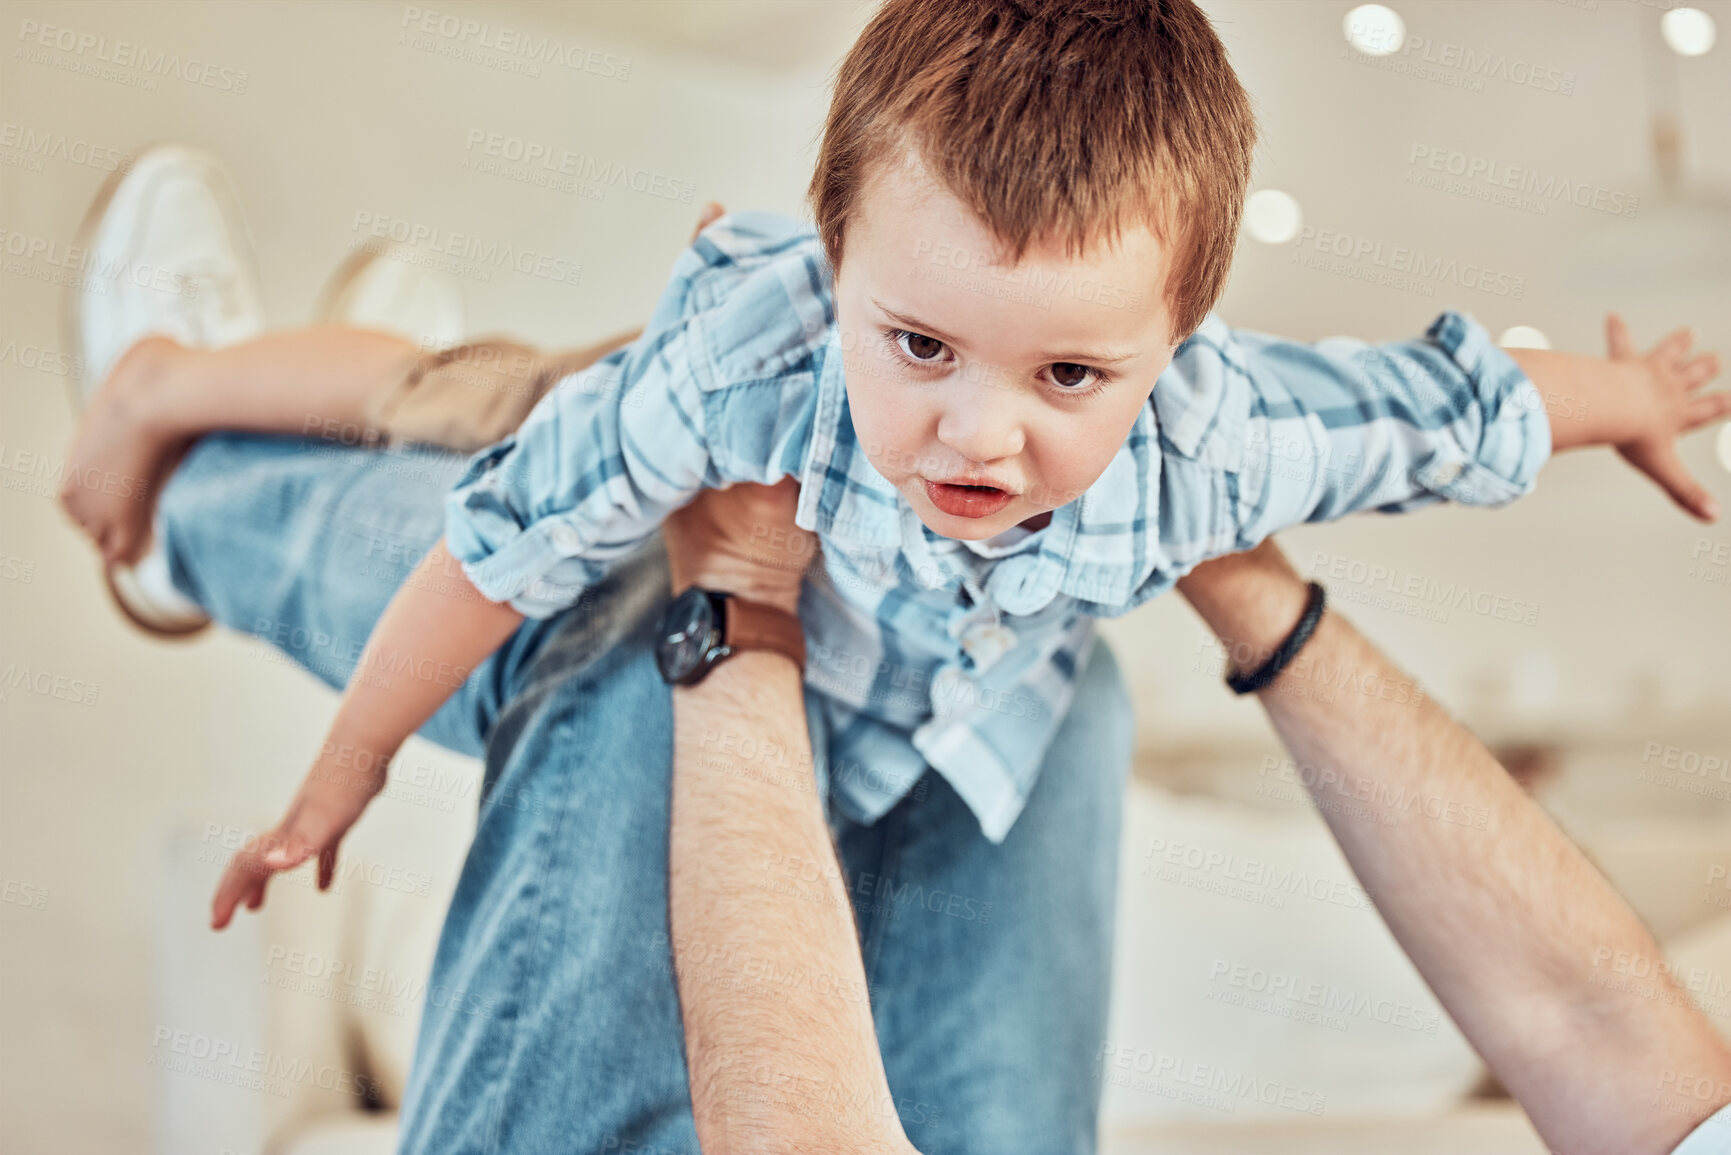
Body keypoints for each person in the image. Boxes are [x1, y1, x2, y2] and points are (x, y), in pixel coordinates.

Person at [54, 1, 1727, 1150]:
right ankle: (176, 395)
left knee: (504, 442)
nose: (977, 436)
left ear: (1178, 347)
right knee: (483, 435)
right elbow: (486, 562)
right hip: (659, 483)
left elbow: (1455, 414)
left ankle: (339, 368)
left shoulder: (1217, 441)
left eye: (1070, 377)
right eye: (921, 342)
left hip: (915, 723)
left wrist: (1639, 401)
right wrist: (337, 775)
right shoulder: (746, 360)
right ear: (832, 259)